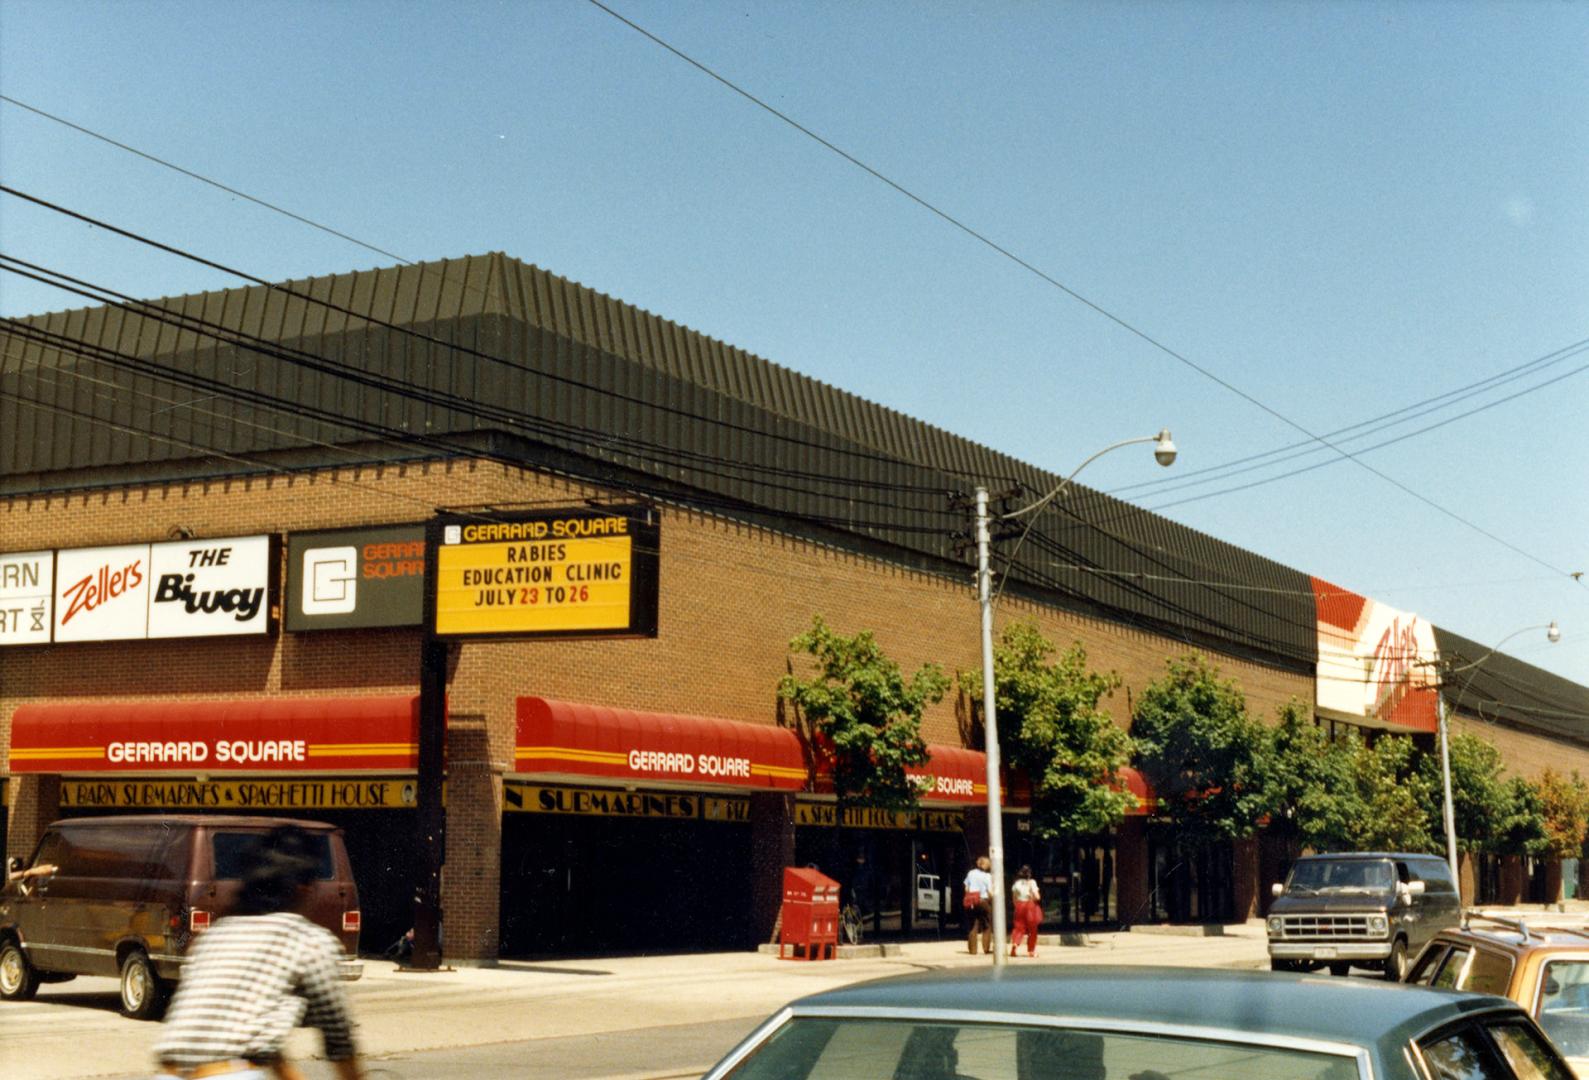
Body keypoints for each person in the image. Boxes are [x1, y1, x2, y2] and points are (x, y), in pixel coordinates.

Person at [153, 826, 365, 1080]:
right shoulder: (308, 940)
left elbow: (257, 1041)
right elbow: (338, 1038)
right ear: (304, 888)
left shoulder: (218, 934)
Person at [1010, 865, 1042, 958]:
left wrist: (1017, 905)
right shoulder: (1032, 882)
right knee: (1033, 929)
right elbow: (1037, 897)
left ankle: (1015, 945)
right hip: (1030, 906)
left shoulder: (1016, 884)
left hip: (1019, 906)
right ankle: (1031, 951)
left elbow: (1014, 898)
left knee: (1018, 928)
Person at [964, 855, 993, 955]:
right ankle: (986, 948)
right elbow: (990, 892)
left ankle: (973, 950)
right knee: (987, 924)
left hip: (972, 901)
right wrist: (992, 899)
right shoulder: (988, 876)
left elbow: (966, 889)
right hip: (982, 900)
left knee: (973, 925)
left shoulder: (970, 873)